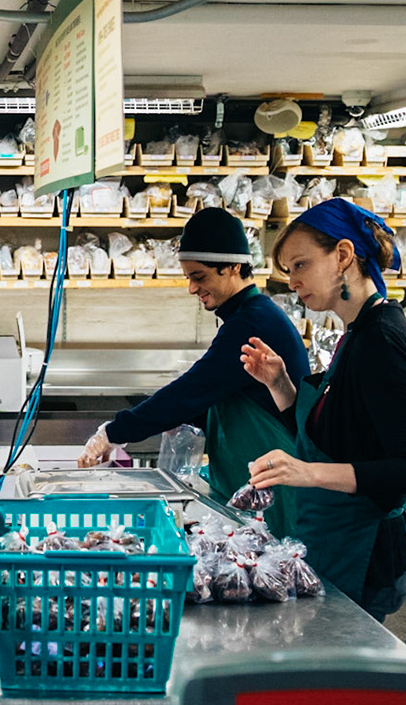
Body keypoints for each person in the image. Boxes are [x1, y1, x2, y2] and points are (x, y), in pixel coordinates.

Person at [237, 199, 406, 621]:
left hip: (365, 554)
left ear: (342, 256)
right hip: (335, 545)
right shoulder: (356, 333)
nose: (292, 282)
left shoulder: (382, 341)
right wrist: (280, 384)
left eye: (300, 265)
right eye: (289, 271)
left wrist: (306, 474)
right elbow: (335, 436)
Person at [78, 208, 309, 530]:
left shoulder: (253, 322)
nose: (191, 288)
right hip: (257, 483)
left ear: (232, 267)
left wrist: (114, 433)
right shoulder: (248, 315)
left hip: (273, 492)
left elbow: (192, 391)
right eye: (189, 278)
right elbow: (208, 395)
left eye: (199, 277)